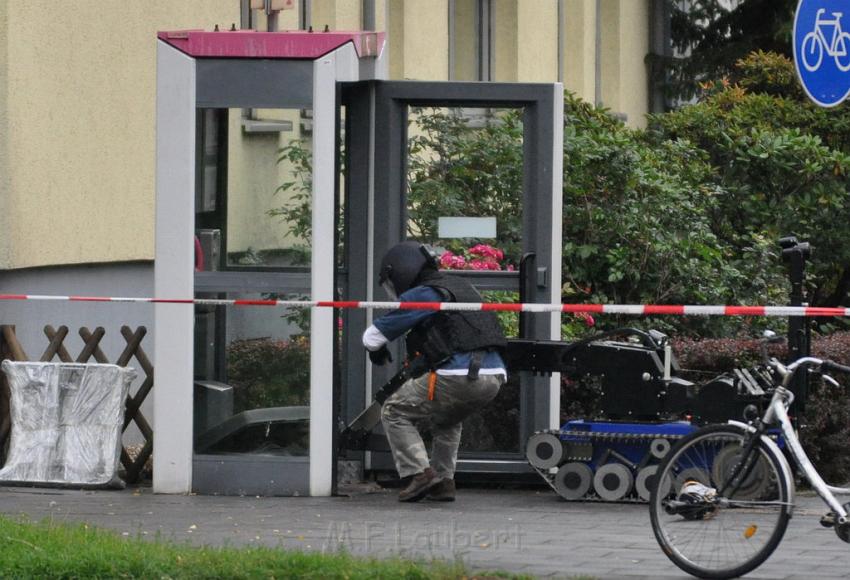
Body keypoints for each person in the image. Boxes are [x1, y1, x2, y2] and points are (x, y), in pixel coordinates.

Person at [362, 241, 507, 502]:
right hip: (494, 376)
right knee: (447, 419)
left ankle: (419, 473)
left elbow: (373, 336)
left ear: (402, 271)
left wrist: (375, 349)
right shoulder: (460, 286)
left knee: (394, 410)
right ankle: (443, 482)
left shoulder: (424, 293)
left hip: (458, 376)